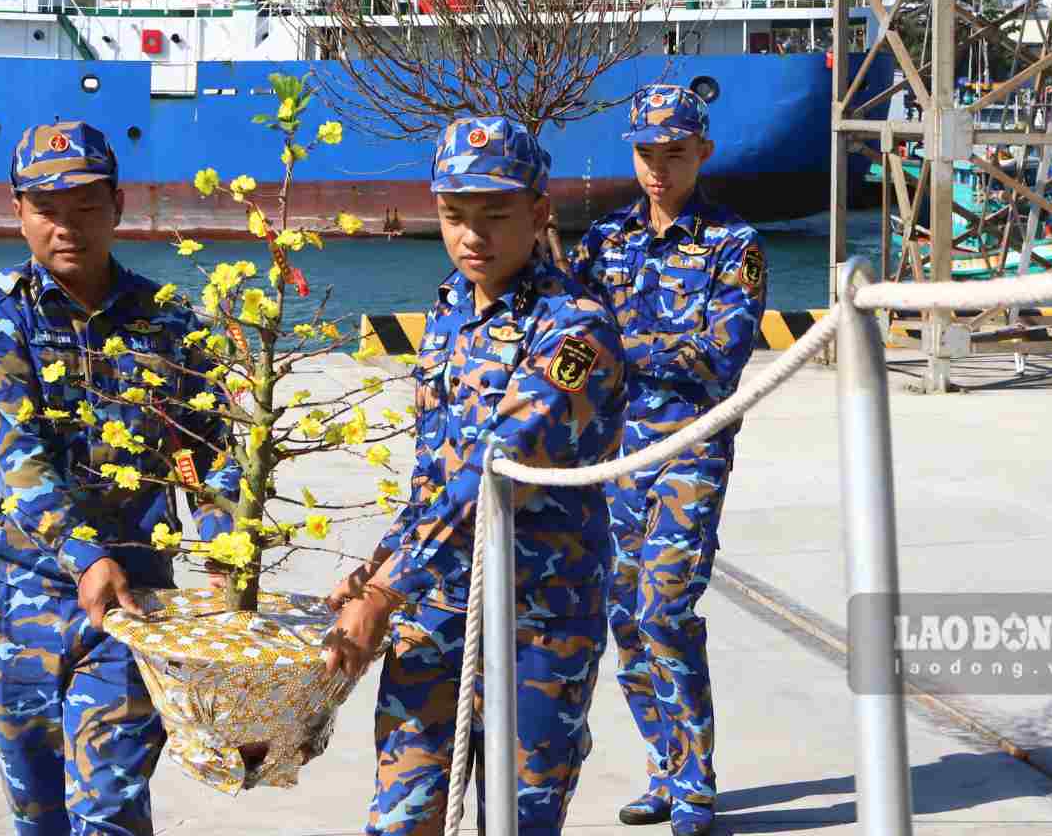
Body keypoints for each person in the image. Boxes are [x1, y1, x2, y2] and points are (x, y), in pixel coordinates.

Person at [322, 115, 627, 836]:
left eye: (495, 215)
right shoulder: (451, 312)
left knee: (518, 819)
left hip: (539, 617)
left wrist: (388, 588)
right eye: (455, 216)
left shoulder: (575, 330)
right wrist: (377, 570)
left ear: (540, 212)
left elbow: (496, 470)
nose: (472, 236)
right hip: (436, 609)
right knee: (401, 816)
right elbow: (436, 471)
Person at [0, 121, 238, 836]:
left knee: (108, 809)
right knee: (39, 815)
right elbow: (18, 459)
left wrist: (226, 546)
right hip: (13, 601)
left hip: (132, 606)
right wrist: (83, 553)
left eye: (84, 206)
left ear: (118, 205)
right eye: (47, 208)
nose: (66, 226)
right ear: (18, 209)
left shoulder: (168, 324)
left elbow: (195, 450)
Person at [568, 85, 767, 836]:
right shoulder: (605, 238)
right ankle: (662, 764)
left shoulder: (732, 244)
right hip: (613, 456)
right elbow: (569, 334)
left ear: (702, 153)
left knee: (666, 611)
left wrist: (617, 348)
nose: (658, 169)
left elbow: (720, 356)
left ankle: (696, 780)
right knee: (624, 615)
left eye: (674, 155)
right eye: (647, 154)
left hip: (689, 450)